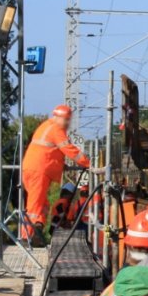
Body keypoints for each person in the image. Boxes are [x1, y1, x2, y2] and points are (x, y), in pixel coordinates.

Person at [21, 105, 89, 247]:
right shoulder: (56, 129)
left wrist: (59, 164)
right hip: (39, 171)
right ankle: (27, 237)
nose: (67, 123)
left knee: (42, 205)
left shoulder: (47, 126)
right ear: (58, 117)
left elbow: (50, 151)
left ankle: (36, 235)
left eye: (68, 120)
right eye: (66, 120)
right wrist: (88, 163)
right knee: (34, 207)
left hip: (34, 169)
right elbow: (69, 149)